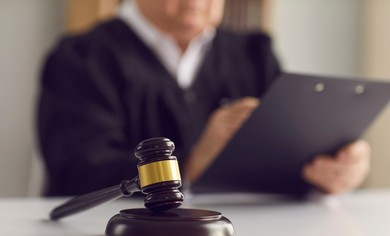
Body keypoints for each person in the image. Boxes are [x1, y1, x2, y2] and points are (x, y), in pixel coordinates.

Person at [38, 0, 370, 196]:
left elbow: (279, 160)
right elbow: (77, 173)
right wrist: (193, 162)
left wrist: (330, 168)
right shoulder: (82, 59)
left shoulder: (254, 55)